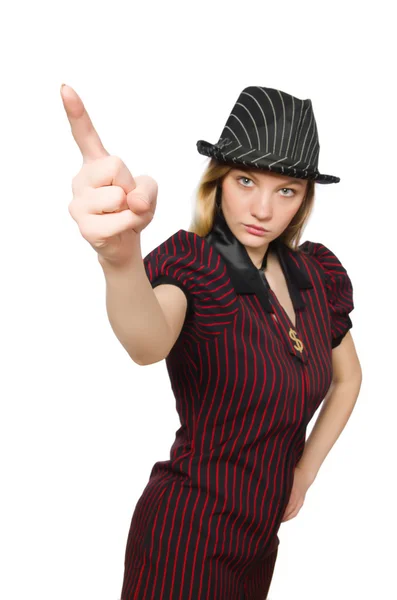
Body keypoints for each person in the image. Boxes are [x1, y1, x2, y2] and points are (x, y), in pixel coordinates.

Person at [62, 84, 363, 600]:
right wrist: (119, 260)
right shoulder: (196, 266)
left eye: (286, 190)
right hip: (184, 539)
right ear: (219, 180)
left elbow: (348, 377)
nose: (263, 209)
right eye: (246, 180)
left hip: (258, 544)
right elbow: (147, 342)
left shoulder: (315, 276)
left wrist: (304, 473)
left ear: (305, 199)